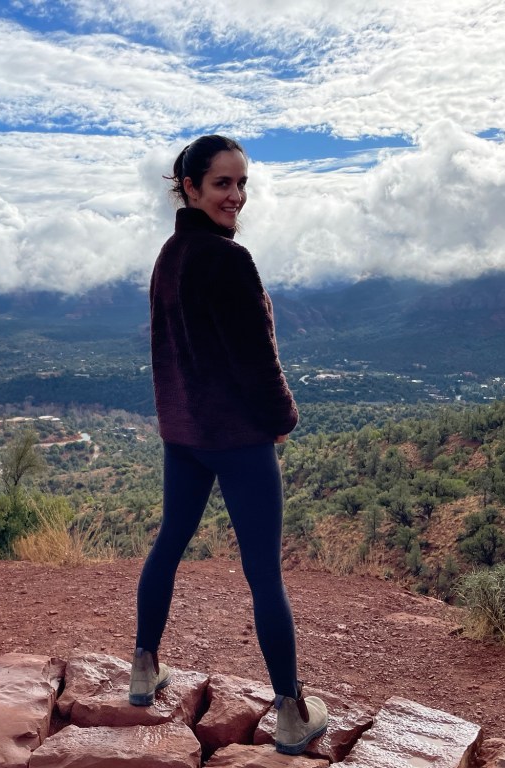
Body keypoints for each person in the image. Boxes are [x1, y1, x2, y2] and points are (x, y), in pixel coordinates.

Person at [129, 134, 328, 755]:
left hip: (184, 435)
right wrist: (281, 418)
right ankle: (291, 713)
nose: (236, 196)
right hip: (237, 438)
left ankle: (144, 669)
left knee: (168, 544)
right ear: (189, 187)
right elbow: (257, 358)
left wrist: (176, 419)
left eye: (242, 184)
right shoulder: (228, 259)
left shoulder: (169, 256)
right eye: (222, 183)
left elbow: (165, 350)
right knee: (264, 573)